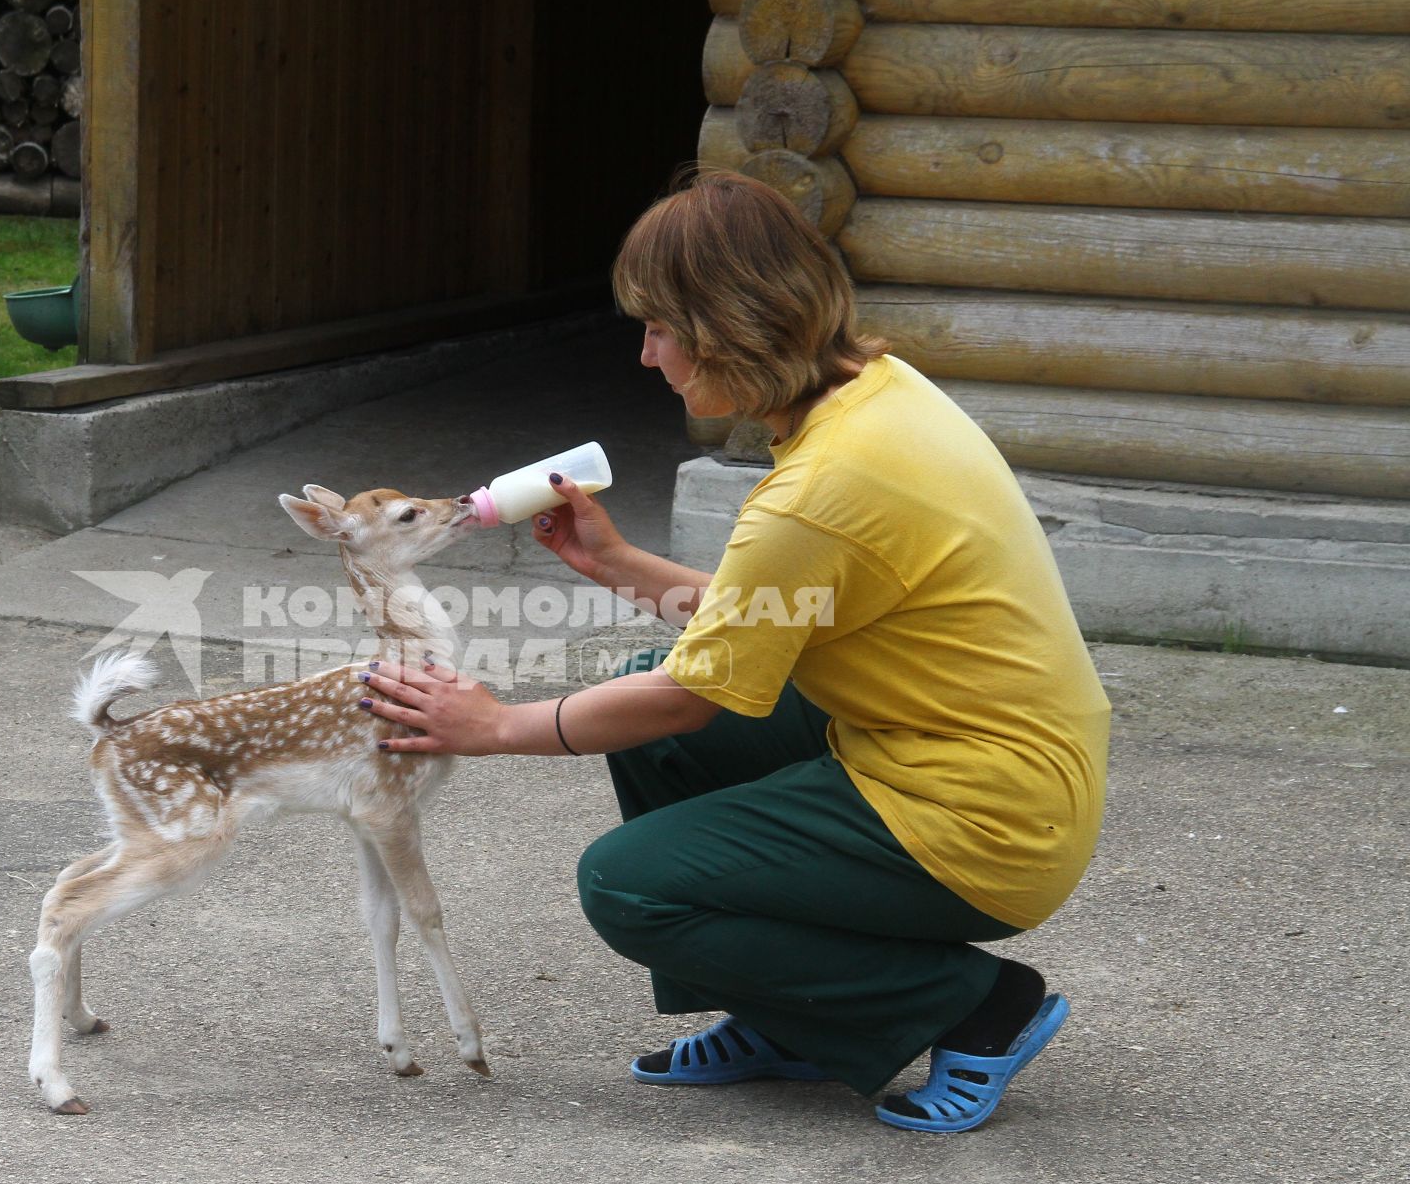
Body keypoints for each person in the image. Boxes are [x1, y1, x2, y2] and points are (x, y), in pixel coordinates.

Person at [356, 169, 1109, 1133]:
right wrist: (621, 563)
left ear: (729, 324)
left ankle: (975, 1005)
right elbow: (764, 622)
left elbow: (692, 695)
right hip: (1003, 762)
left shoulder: (818, 488)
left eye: (661, 328)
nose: (646, 355)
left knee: (626, 880)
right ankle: (793, 1017)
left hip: (989, 821)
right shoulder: (881, 392)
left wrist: (498, 724)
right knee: (644, 710)